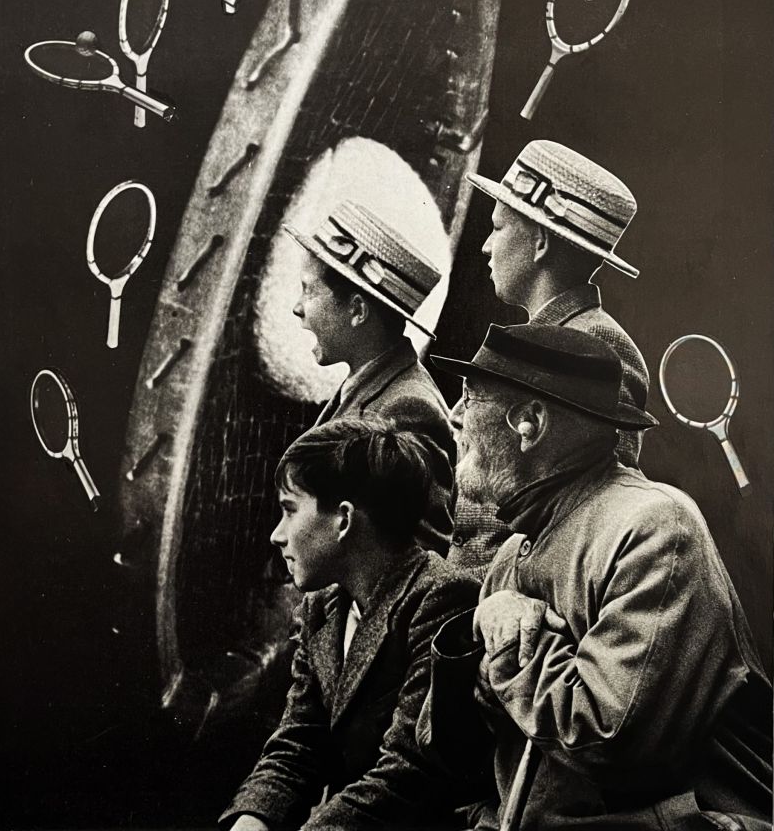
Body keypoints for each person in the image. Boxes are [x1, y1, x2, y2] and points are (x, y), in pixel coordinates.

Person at [421, 323, 772, 830]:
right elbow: (451, 752)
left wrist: (506, 640)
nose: (454, 417)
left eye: (470, 398)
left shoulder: (654, 526)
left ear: (528, 422)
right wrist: (475, 630)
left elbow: (607, 739)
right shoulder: (513, 553)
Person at [220, 417, 481, 831]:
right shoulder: (322, 606)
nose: (277, 534)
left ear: (344, 519)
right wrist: (251, 821)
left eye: (290, 511)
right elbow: (299, 742)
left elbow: (409, 772)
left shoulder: (442, 600)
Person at [450, 139, 651, 579]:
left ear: (540, 242)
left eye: (498, 228)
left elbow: (588, 516)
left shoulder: (598, 344)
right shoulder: (522, 342)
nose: (485, 247)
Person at [285, 200, 455, 556]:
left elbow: (423, 556)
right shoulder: (367, 386)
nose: (297, 307)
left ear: (358, 310)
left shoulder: (408, 409)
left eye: (309, 290)